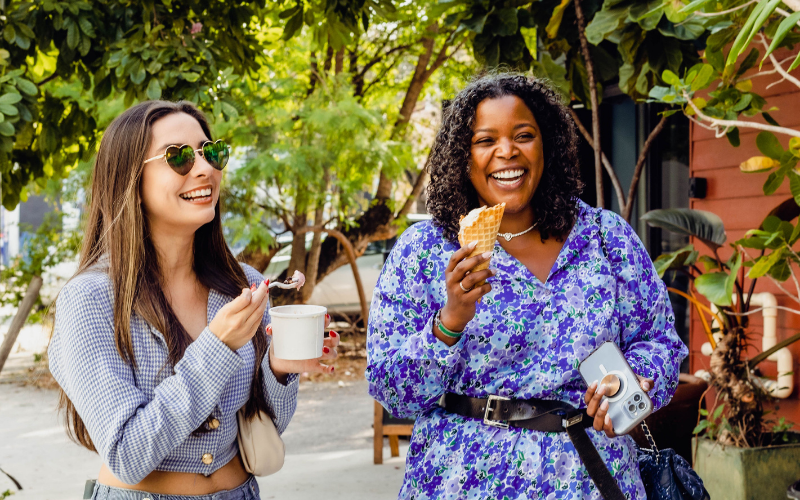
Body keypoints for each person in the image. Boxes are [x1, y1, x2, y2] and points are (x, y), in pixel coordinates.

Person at [366, 73, 688, 499]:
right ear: (463, 155)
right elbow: (392, 390)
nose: (506, 152)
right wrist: (449, 323)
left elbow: (660, 341)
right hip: (462, 481)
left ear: (547, 145)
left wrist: (632, 381)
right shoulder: (424, 251)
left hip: (591, 479)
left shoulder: (604, 237)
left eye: (523, 135)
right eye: (485, 140)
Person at [48, 100, 339, 500]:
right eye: (179, 157)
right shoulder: (90, 299)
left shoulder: (243, 286)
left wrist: (280, 369)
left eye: (211, 152)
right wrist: (217, 347)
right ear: (130, 178)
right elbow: (128, 455)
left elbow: (269, 427)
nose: (204, 169)